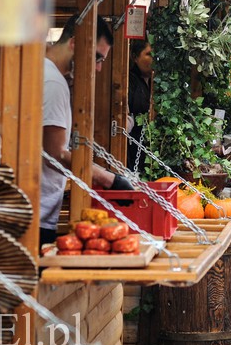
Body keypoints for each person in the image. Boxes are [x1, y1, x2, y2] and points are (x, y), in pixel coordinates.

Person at [40, 14, 133, 246]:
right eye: (97, 58)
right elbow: (55, 154)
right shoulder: (52, 83)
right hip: (36, 214)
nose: (99, 68)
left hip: (37, 207)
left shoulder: (46, 73)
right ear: (74, 43)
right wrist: (109, 178)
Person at [127, 39, 154, 173]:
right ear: (135, 57)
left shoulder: (154, 83)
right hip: (131, 148)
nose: (153, 59)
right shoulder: (129, 81)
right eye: (148, 54)